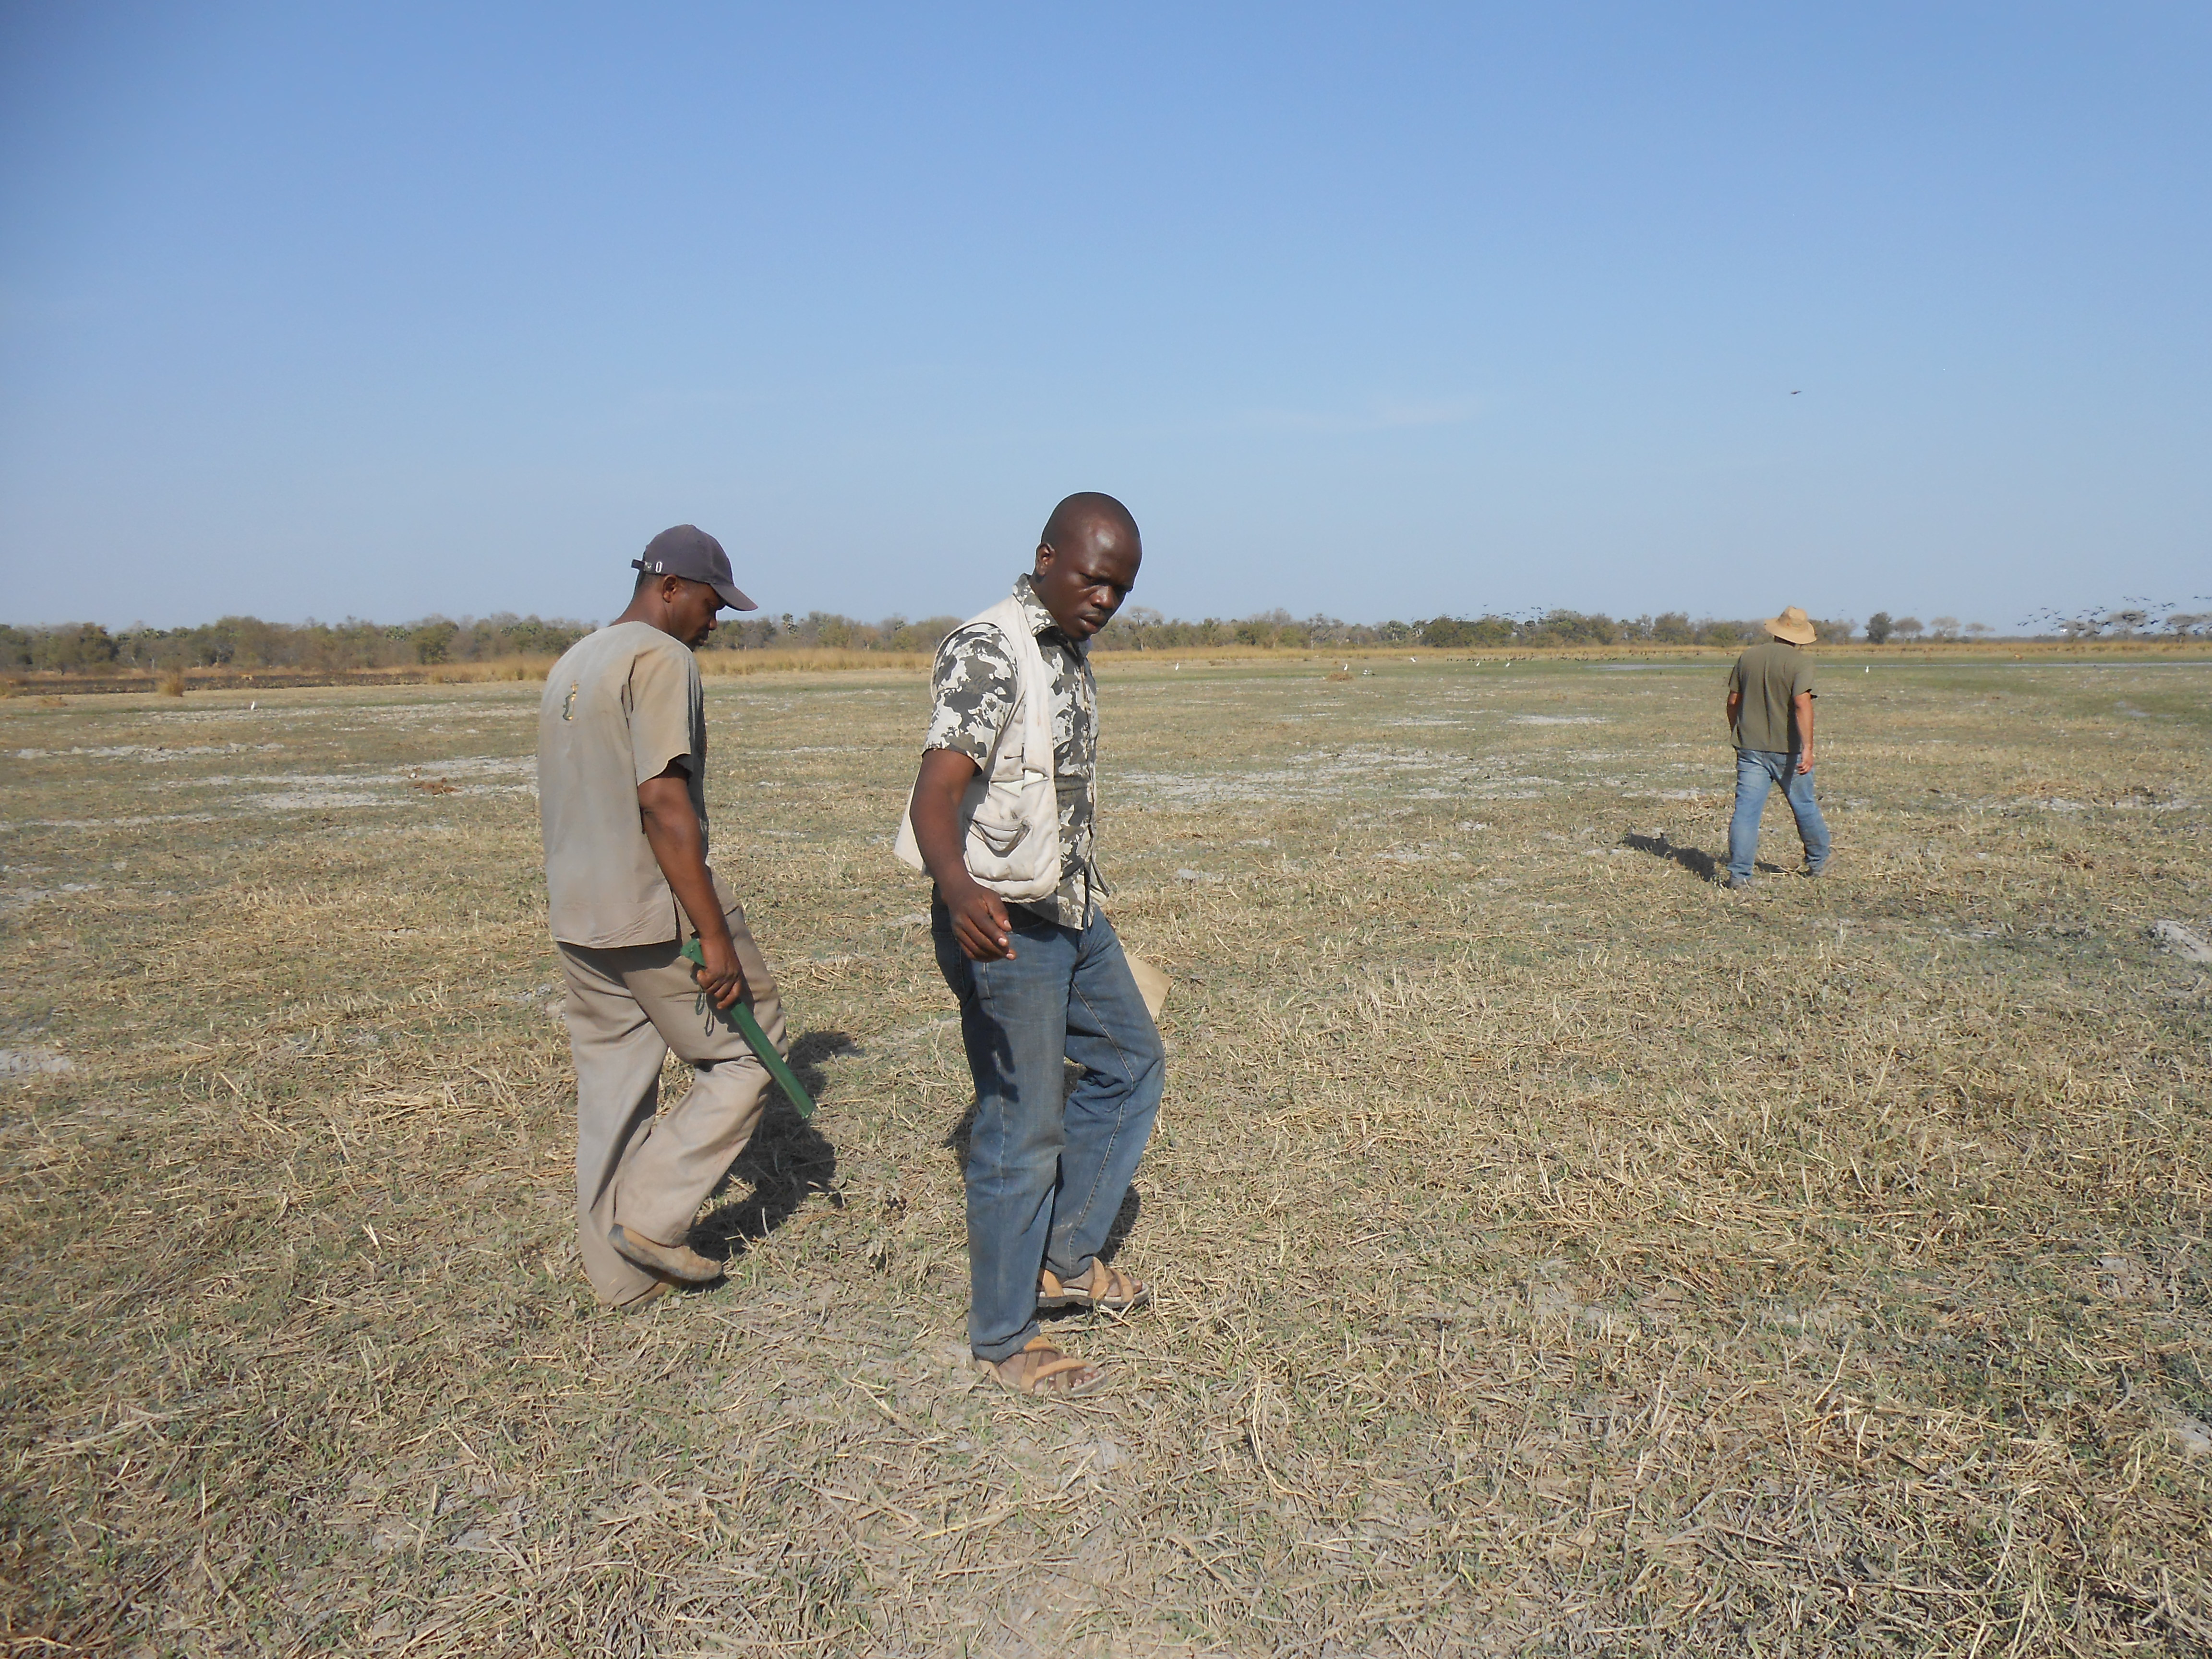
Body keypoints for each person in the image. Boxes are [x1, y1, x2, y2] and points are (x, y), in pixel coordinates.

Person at [899, 493, 1165, 1396]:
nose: (1104, 600)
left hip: (1071, 911)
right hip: (1001, 918)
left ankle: (1062, 1255)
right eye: (1093, 578)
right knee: (1021, 1123)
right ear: (1046, 556)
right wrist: (958, 888)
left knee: (1131, 1063)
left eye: (1120, 589)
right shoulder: (991, 648)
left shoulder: (1067, 647)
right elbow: (933, 793)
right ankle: (1004, 1338)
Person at [537, 525, 789, 1310]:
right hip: (653, 914)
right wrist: (712, 934)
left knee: (613, 1087)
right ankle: (648, 1220)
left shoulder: (574, 661)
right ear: (671, 587)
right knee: (756, 1050)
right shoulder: (660, 659)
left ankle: (619, 1280)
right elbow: (662, 799)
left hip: (578, 914)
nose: (715, 623)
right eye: (712, 604)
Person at [1723, 604, 1832, 890]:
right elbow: (1801, 704)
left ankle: (1739, 875)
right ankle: (1819, 863)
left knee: (1746, 812)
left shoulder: (1748, 657)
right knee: (1804, 805)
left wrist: (1739, 730)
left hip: (1749, 748)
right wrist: (1808, 748)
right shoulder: (1801, 664)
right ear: (1800, 637)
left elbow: (1733, 701)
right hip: (1789, 751)